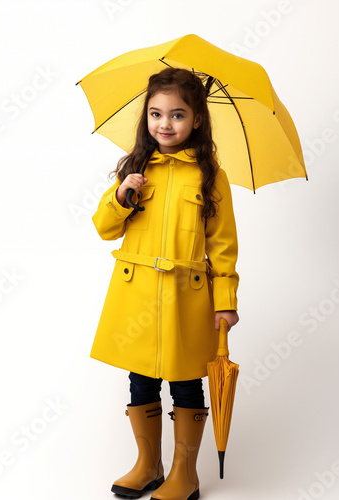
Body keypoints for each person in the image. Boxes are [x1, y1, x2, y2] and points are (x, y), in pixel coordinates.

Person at [90, 67, 240, 500]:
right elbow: (104, 228)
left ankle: (184, 474)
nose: (165, 124)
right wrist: (121, 196)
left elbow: (224, 246)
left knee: (186, 379)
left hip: (187, 296)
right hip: (137, 293)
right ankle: (147, 464)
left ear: (197, 120)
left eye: (177, 115)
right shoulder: (135, 169)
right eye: (156, 114)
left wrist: (224, 300)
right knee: (141, 377)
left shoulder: (209, 177)